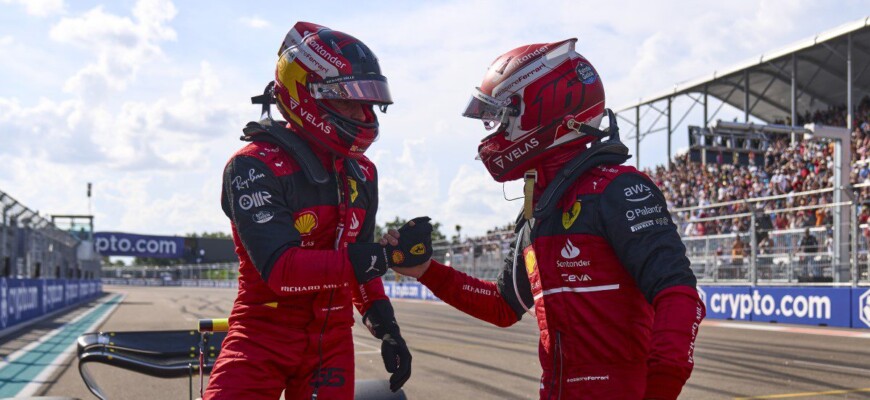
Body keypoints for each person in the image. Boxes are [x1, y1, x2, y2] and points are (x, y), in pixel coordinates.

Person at [385, 39, 705, 399]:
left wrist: (660, 391)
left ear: (548, 111)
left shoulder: (619, 189)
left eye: (504, 117)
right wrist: (428, 271)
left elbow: (680, 295)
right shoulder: (537, 210)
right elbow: (503, 305)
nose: (496, 133)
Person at [204, 22, 433, 400]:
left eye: (367, 103)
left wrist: (386, 323)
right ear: (305, 95)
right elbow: (281, 271)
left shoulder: (363, 171)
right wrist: (381, 257)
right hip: (262, 335)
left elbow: (360, 260)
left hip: (332, 344)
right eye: (348, 100)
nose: (362, 116)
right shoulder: (252, 166)